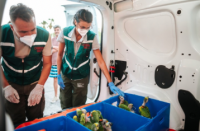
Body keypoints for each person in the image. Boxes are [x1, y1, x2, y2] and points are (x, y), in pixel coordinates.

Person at [57, 9, 124, 109]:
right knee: (64, 104)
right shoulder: (65, 32)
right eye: (82, 27)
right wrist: (58, 74)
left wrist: (110, 82)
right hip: (65, 75)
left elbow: (100, 61)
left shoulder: (92, 37)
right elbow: (59, 54)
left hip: (81, 76)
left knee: (78, 107)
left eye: (88, 27)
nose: (85, 30)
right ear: (75, 22)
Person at [1, 3, 52, 125]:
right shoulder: (2, 34)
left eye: (33, 29)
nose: (30, 35)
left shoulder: (44, 35)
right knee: (15, 121)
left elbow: (47, 63)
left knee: (36, 120)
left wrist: (39, 87)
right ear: (12, 27)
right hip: (12, 83)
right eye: (23, 31)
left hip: (35, 82)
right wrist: (6, 86)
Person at [49, 25, 61, 103]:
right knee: (55, 80)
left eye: (57, 29)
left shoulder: (62, 39)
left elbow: (63, 49)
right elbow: (50, 50)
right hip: (53, 63)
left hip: (62, 62)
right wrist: (57, 48)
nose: (56, 31)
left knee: (64, 80)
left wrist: (54, 48)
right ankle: (56, 96)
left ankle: (63, 96)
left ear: (60, 30)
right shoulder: (52, 39)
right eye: (55, 30)